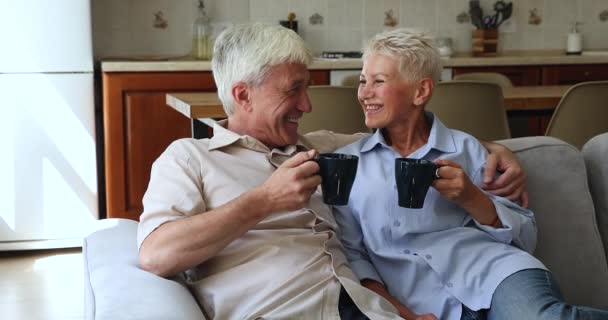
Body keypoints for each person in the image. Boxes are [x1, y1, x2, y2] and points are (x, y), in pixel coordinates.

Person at [137, 23, 527, 319]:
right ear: (243, 95)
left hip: (367, 309)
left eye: (307, 89)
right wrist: (264, 200)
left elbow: (410, 133)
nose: (307, 105)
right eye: (293, 90)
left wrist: (497, 148)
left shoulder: (323, 148)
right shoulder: (190, 157)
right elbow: (157, 255)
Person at [333, 28, 608, 320]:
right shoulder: (348, 163)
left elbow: (526, 236)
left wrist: (471, 197)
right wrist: (402, 314)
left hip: (494, 275)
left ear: (421, 91)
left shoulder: (466, 149)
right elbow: (353, 257)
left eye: (378, 81)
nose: (364, 92)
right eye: (363, 81)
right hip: (419, 298)